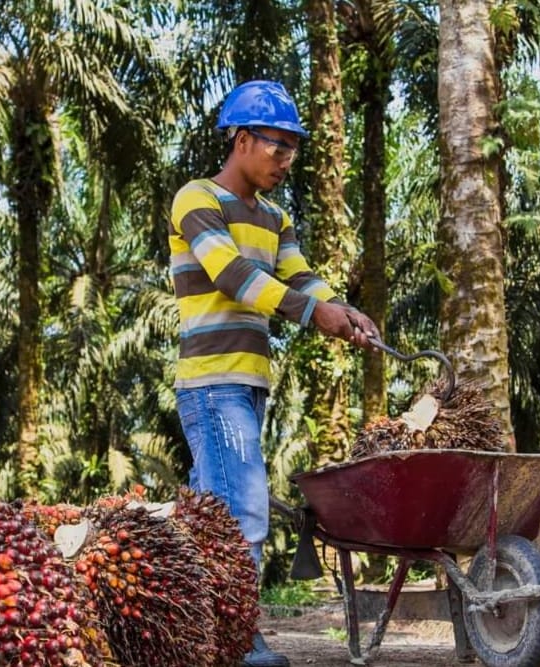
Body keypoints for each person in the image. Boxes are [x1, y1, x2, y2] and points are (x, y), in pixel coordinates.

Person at [168, 80, 379, 667]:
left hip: (250, 383)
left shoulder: (274, 217)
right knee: (241, 511)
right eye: (276, 146)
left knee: (206, 515)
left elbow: (300, 277)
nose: (286, 160)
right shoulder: (196, 198)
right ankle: (238, 642)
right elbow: (231, 274)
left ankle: (196, 636)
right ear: (241, 140)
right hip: (212, 382)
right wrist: (313, 313)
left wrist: (342, 310)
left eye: (293, 149)